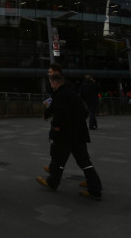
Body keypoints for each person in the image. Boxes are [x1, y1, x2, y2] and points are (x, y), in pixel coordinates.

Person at [36, 64, 103, 200]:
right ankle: (95, 187)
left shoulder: (61, 94)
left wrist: (56, 126)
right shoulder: (70, 92)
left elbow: (61, 113)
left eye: (51, 81)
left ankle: (53, 182)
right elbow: (83, 112)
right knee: (83, 161)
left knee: (59, 158)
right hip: (78, 133)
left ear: (55, 82)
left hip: (67, 134)